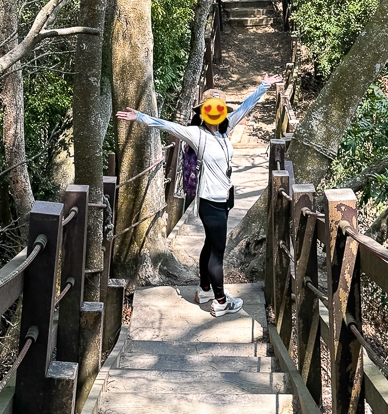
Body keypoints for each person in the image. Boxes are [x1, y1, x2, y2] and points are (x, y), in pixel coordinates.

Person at [117, 73, 282, 317]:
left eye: (219, 108)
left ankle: (205, 289)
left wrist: (264, 86)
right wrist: (139, 117)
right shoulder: (197, 134)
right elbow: (167, 125)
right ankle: (221, 301)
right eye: (211, 107)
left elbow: (246, 107)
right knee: (217, 252)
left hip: (224, 200)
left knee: (210, 245)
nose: (216, 112)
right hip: (209, 203)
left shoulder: (225, 131)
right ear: (204, 111)